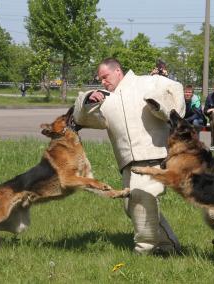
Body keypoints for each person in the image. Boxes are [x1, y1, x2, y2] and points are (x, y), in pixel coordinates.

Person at [73, 58, 185, 255]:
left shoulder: (147, 82)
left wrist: (165, 109)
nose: (103, 82)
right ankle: (169, 246)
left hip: (154, 156)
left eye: (105, 77)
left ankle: (144, 250)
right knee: (132, 207)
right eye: (100, 79)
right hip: (128, 164)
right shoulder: (106, 101)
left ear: (118, 71)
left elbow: (176, 88)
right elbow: (80, 118)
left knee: (142, 202)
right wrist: (87, 99)